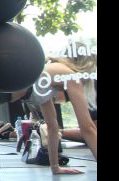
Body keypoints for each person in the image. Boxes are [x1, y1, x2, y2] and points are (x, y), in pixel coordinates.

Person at [10, 43, 97, 175]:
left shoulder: (48, 77)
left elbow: (52, 128)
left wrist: (55, 167)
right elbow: (87, 128)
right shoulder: (70, 75)